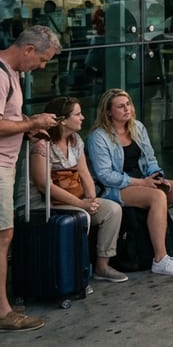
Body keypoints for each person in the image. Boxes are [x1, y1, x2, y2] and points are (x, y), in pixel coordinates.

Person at [88, 88, 173, 274]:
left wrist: (158, 176)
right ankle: (160, 259)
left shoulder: (137, 127)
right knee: (157, 197)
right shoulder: (99, 137)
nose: (127, 109)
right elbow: (104, 175)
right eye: (120, 106)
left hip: (144, 180)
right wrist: (141, 183)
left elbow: (150, 160)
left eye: (128, 104)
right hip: (116, 187)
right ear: (108, 111)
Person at [0, 26, 60, 331]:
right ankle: (3, 311)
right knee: (3, 236)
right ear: (27, 50)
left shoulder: (12, 74)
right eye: (41, 59)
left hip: (7, 163)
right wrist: (30, 124)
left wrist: (27, 127)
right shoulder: (1, 75)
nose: (42, 66)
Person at [30, 96, 126, 283]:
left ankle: (102, 265)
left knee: (112, 210)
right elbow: (44, 184)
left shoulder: (75, 140)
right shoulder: (42, 144)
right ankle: (75, 271)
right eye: (78, 114)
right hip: (44, 203)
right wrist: (81, 204)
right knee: (83, 216)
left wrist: (92, 199)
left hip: (74, 199)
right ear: (63, 120)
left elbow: (84, 172)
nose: (82, 117)